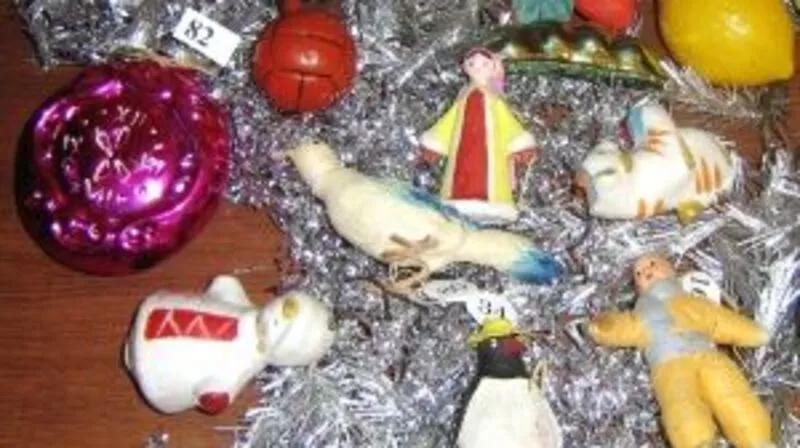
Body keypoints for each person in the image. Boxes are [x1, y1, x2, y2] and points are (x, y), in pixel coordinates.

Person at [589, 254, 773, 448]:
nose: (646, 271)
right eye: (638, 274)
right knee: (683, 409)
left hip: (708, 357)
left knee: (733, 393)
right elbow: (624, 327)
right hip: (671, 367)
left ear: (671, 270)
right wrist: (603, 326)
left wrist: (752, 332)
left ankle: (756, 439)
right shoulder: (642, 315)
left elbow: (719, 321)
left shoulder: (692, 302)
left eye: (652, 263)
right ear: (638, 288)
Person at [419, 47, 537, 223]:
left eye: (484, 64)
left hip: (491, 156)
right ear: (465, 68)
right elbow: (448, 123)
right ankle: (458, 200)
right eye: (472, 64)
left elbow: (508, 123)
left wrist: (521, 145)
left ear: (492, 66)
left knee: (490, 175)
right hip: (462, 154)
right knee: (460, 174)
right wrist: (434, 144)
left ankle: (493, 202)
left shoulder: (494, 99)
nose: (478, 68)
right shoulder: (463, 98)